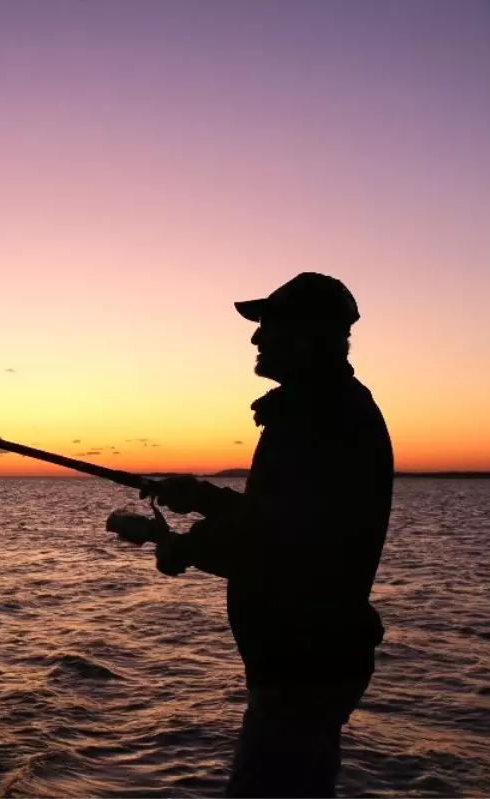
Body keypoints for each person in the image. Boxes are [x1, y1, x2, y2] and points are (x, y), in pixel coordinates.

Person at [147, 273, 393, 798]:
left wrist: (183, 548)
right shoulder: (328, 409)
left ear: (309, 335)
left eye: (269, 326)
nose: (257, 339)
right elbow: (285, 515)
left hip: (302, 666)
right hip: (319, 659)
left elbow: (278, 544)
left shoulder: (316, 418)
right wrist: (202, 496)